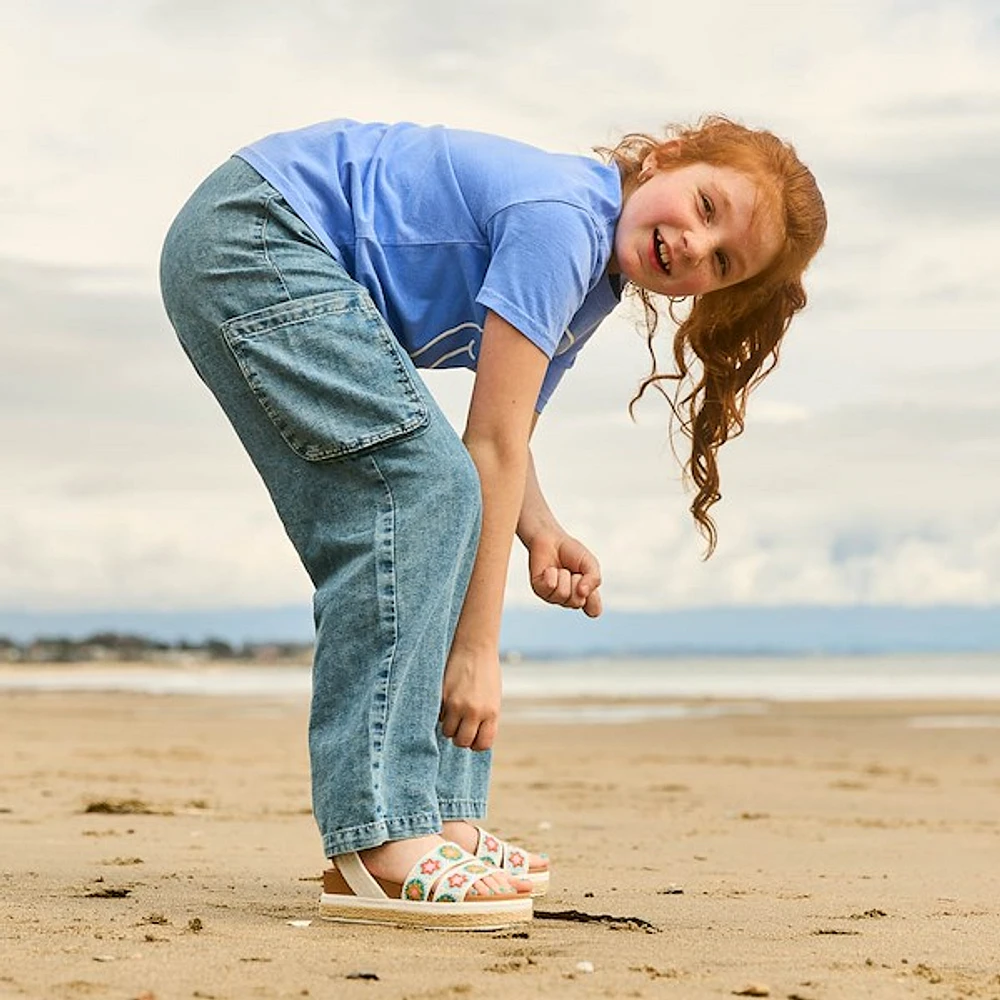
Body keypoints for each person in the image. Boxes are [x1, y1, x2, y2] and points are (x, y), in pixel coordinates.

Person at [159, 115, 826, 930]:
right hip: (255, 235)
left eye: (723, 261)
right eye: (707, 206)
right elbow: (486, 448)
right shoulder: (563, 221)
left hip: (254, 240)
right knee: (417, 494)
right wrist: (476, 653)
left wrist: (539, 527)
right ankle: (378, 842)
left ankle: (440, 818)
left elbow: (504, 445)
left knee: (439, 490)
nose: (695, 246)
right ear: (665, 159)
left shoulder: (592, 280)